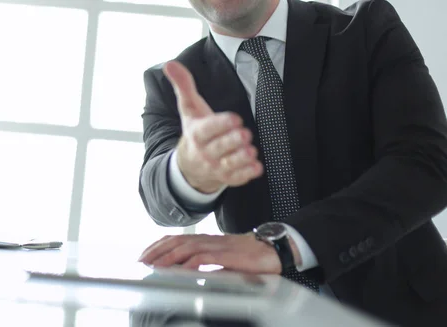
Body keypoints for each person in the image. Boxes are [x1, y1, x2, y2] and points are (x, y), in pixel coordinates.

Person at [137, 0, 447, 326]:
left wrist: (285, 245)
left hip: (407, 309)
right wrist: (188, 173)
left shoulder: (366, 27)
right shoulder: (171, 82)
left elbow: (426, 163)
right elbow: (158, 190)